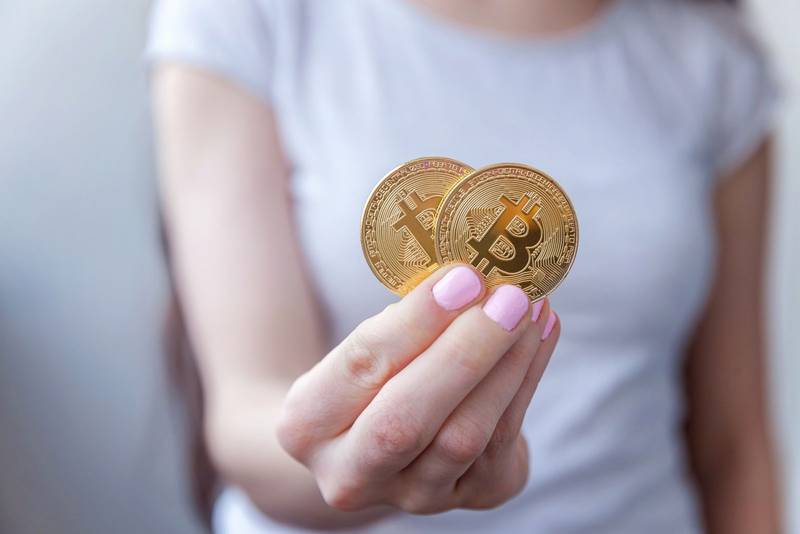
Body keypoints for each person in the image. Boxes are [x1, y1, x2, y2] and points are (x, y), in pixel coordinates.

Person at [147, 0, 782, 532]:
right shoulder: (247, 15)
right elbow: (245, 414)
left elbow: (735, 444)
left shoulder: (711, 58)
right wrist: (353, 457)